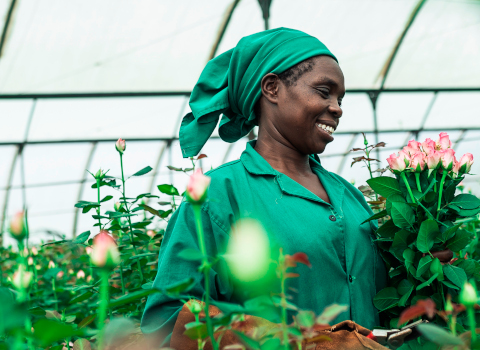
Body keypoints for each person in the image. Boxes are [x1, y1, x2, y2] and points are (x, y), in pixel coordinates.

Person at [141, 28, 388, 349]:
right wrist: (307, 344)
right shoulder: (218, 196)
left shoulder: (351, 198)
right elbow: (167, 322)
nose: (337, 107)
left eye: (340, 99)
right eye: (324, 91)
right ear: (272, 88)